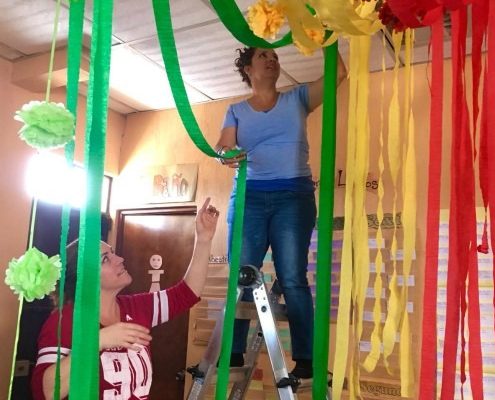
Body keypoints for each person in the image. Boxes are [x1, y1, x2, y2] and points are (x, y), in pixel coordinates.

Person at [216, 47, 346, 379]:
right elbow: (223, 146)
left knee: (292, 278)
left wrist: (326, 32)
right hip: (250, 197)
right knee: (241, 276)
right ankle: (232, 351)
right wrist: (226, 155)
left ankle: (306, 358)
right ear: (248, 68)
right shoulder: (235, 110)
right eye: (263, 56)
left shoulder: (297, 98)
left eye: (275, 56)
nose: (272, 60)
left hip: (293, 195)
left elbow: (339, 74)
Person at [31, 198, 220, 400]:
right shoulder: (65, 321)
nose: (119, 259)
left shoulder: (136, 307)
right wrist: (96, 342)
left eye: (112, 253)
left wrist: (204, 239)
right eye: (106, 259)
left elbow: (187, 293)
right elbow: (46, 392)